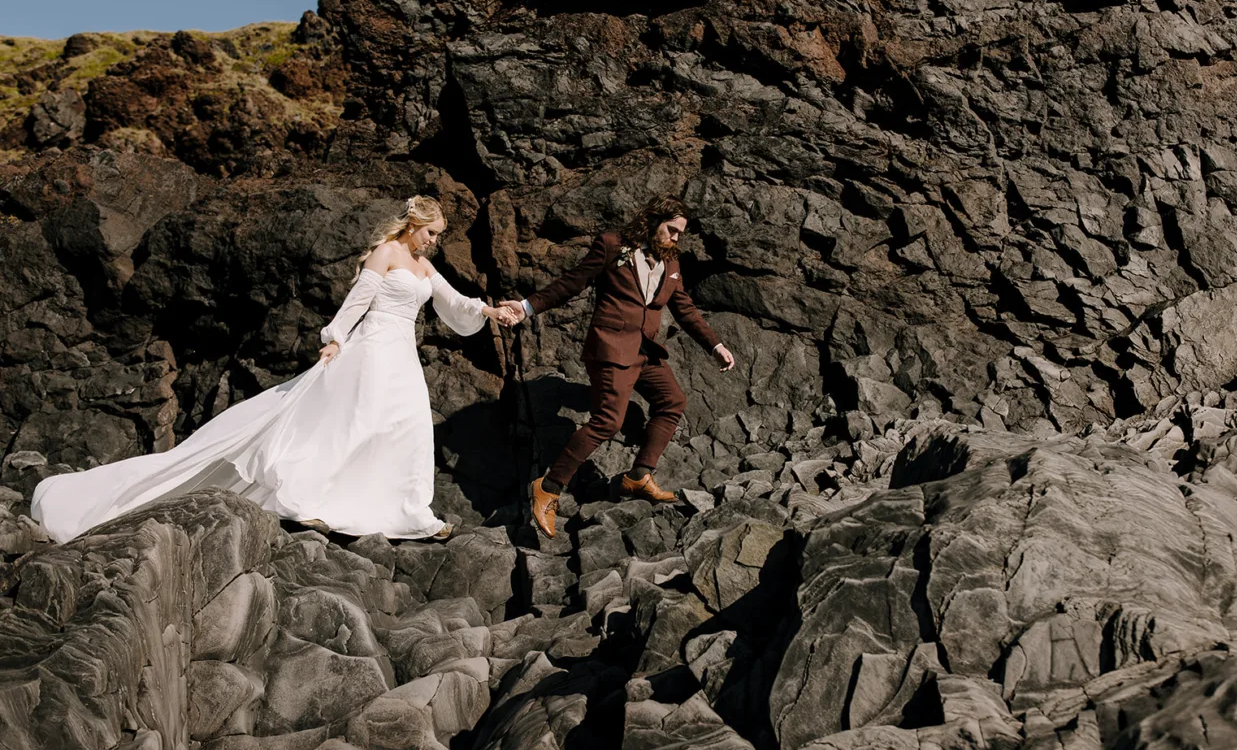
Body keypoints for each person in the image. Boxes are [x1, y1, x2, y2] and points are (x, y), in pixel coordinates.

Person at [31, 195, 520, 544]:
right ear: (414, 224)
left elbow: (453, 301)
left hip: (401, 359)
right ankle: (309, 500)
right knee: (354, 425)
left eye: (437, 237)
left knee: (407, 428)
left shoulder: (423, 266)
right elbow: (358, 301)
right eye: (432, 234)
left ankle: (410, 512)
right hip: (370, 351)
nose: (434, 243)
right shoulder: (387, 253)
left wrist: (490, 312)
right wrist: (334, 340)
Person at [502, 195, 736, 539]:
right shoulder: (612, 246)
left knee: (672, 401)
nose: (675, 238)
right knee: (608, 421)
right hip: (611, 349)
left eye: (679, 234)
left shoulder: (671, 264)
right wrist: (526, 308)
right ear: (653, 220)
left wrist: (714, 346)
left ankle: (639, 475)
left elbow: (684, 309)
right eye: (671, 230)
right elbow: (572, 282)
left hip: (647, 353)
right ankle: (548, 488)